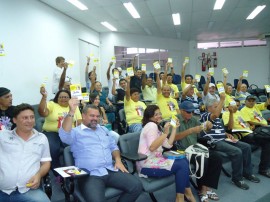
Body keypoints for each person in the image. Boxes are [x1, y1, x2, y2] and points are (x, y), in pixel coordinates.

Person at [59, 101, 143, 202]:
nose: (95, 118)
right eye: (92, 115)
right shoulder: (76, 132)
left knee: (137, 186)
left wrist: (117, 159)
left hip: (110, 170)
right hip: (90, 175)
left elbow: (113, 146)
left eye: (97, 116)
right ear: (84, 116)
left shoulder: (103, 130)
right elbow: (64, 135)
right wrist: (71, 111)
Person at [201, 93, 260, 190]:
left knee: (246, 147)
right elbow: (214, 116)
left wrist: (225, 134)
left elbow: (219, 129)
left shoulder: (217, 119)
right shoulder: (205, 115)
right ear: (209, 108)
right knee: (237, 152)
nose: (218, 109)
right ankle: (237, 178)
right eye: (216, 107)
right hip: (214, 142)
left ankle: (247, 172)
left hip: (224, 139)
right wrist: (222, 100)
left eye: (218, 106)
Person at [137, 105, 195, 202]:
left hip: (156, 160)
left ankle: (186, 193)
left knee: (183, 160)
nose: (159, 116)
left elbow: (168, 145)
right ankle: (181, 197)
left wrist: (174, 128)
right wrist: (165, 133)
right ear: (149, 117)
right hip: (146, 165)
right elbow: (152, 147)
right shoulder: (151, 126)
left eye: (160, 113)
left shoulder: (156, 126)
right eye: (156, 114)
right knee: (181, 165)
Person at [0, 103, 51, 202]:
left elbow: (46, 163)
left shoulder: (41, 138)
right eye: (25, 118)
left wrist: (39, 175)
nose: (30, 121)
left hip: (28, 190)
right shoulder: (3, 136)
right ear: (15, 120)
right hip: (2, 190)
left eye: (32, 117)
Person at [174, 101, 222, 202]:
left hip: (195, 148)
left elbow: (203, 128)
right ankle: (202, 190)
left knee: (217, 157)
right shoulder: (174, 120)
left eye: (192, 112)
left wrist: (208, 126)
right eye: (188, 112)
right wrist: (190, 131)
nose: (191, 114)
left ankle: (206, 187)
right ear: (182, 111)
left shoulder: (193, 119)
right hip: (182, 150)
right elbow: (173, 138)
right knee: (203, 159)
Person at [38, 87, 82, 174]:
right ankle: (56, 171)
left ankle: (77, 167)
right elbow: (42, 112)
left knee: (78, 146)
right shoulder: (52, 104)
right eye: (61, 97)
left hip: (69, 132)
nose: (63, 99)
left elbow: (79, 121)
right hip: (52, 132)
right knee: (53, 148)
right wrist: (44, 97)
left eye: (66, 97)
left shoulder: (74, 107)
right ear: (56, 98)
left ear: (70, 99)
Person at [222, 100, 270, 178]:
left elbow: (244, 122)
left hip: (250, 131)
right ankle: (263, 169)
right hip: (242, 135)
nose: (235, 107)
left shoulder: (239, 112)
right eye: (234, 106)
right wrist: (231, 113)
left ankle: (264, 167)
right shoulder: (226, 114)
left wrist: (249, 125)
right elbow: (230, 127)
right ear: (229, 107)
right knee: (267, 141)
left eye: (237, 106)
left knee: (267, 139)